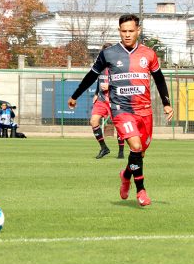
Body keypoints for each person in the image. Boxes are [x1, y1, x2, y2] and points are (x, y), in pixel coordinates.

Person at [68, 14, 174, 207]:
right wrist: (75, 95)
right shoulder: (109, 53)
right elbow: (91, 75)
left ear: (138, 31)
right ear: (119, 31)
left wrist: (166, 102)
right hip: (121, 109)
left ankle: (126, 175)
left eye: (131, 31)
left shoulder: (149, 54)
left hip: (145, 111)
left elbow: (159, 78)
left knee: (139, 153)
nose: (127, 34)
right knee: (135, 146)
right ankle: (141, 190)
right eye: (123, 31)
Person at [89, 45, 125, 159]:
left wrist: (109, 86)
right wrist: (96, 93)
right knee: (93, 121)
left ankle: (121, 152)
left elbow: (124, 82)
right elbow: (99, 80)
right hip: (101, 99)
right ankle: (104, 148)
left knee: (119, 125)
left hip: (115, 99)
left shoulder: (119, 66)